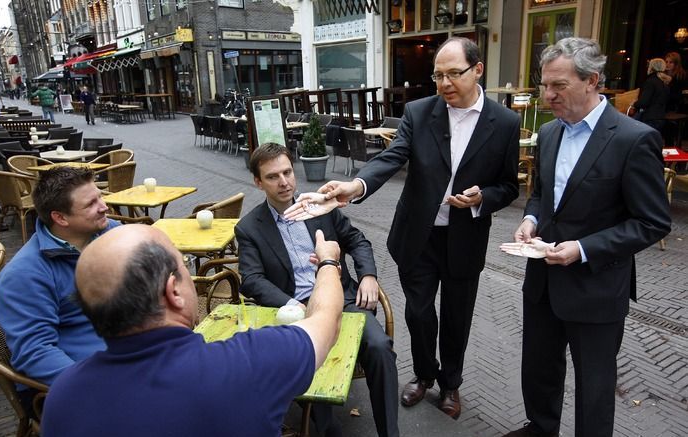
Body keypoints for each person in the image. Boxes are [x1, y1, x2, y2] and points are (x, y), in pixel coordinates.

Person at [309, 36, 520, 419]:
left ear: (478, 70)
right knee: (419, 314)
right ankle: (424, 375)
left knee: (458, 317)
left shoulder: (505, 122)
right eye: (438, 75)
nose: (444, 84)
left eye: (453, 74)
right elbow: (393, 156)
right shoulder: (420, 112)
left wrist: (482, 198)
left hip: (465, 238)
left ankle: (451, 384)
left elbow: (508, 185)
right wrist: (355, 186)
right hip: (417, 237)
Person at [504, 37, 671, 437]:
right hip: (543, 282)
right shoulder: (548, 135)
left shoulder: (633, 138)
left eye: (558, 85)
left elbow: (652, 221)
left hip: (597, 287)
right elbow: (544, 195)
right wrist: (530, 219)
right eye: (545, 85)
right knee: (539, 368)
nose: (548, 95)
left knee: (594, 386)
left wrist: (582, 249)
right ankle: (540, 428)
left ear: (592, 80)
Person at [41, 224, 346, 436]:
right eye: (183, 263)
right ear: (173, 291)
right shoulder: (250, 364)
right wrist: (329, 260)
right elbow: (327, 320)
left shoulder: (63, 395)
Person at [235, 143, 399, 437]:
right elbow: (251, 279)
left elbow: (357, 241)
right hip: (296, 308)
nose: (284, 182)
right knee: (311, 361)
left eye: (287, 172)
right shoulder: (249, 228)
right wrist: (290, 304)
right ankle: (326, 430)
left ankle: (390, 433)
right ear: (258, 182)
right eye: (273, 176)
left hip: (343, 299)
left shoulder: (320, 206)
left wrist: (369, 276)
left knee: (379, 347)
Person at [0, 167, 119, 412]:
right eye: (92, 203)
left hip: (128, 354)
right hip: (74, 386)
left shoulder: (109, 232)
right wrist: (98, 386)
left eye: (100, 196)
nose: (104, 206)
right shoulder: (24, 276)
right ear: (61, 218)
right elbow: (35, 353)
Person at [630, 58, 670, 132]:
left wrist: (634, 104)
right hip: (660, 117)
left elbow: (644, 102)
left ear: (651, 68)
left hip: (649, 117)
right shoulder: (665, 82)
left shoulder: (650, 82)